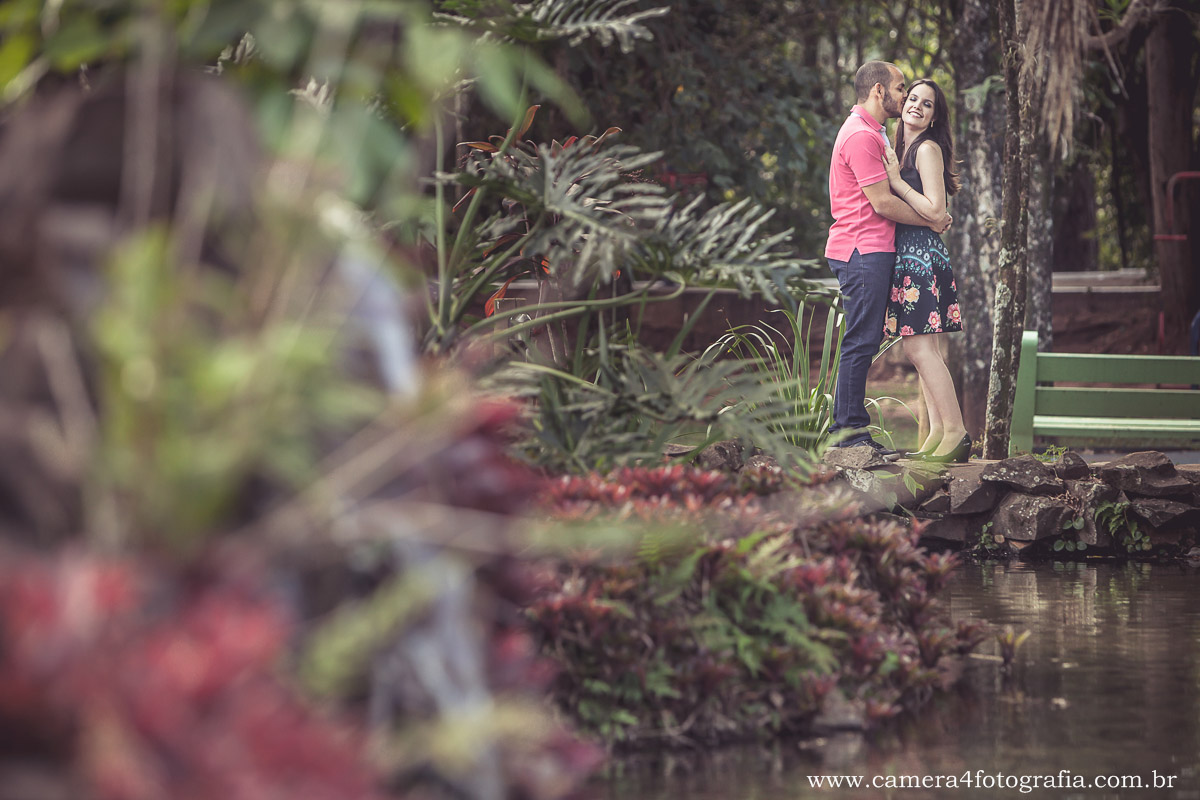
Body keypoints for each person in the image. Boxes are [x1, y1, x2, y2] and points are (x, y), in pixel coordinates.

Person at [825, 62, 951, 459]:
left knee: (863, 341)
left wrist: (931, 216)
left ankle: (849, 430)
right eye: (901, 89)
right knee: (860, 342)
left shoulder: (875, 132)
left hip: (872, 251)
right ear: (879, 91)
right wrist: (934, 219)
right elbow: (881, 202)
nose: (904, 97)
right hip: (862, 251)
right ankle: (849, 433)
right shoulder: (862, 136)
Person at [881, 78, 970, 463]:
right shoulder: (900, 148)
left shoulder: (927, 148)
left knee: (919, 348)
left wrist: (897, 182)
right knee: (924, 349)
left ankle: (956, 431)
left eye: (927, 104)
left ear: (935, 117)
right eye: (912, 98)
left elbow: (936, 210)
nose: (916, 105)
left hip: (920, 259)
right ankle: (937, 432)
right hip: (910, 256)